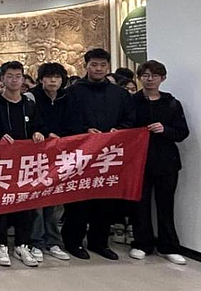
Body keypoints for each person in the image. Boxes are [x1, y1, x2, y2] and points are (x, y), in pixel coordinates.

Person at [61, 48, 135, 260]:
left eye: (103, 65)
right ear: (86, 66)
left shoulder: (119, 94)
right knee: (79, 200)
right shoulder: (73, 92)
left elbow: (130, 119)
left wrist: (118, 130)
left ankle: (99, 242)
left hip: (109, 156)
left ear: (108, 67)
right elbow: (65, 121)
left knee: (105, 201)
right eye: (94, 65)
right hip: (82, 155)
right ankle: (73, 241)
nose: (99, 69)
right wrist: (84, 131)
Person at [130, 60, 189, 264]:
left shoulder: (172, 103)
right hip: (139, 162)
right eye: (145, 75)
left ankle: (169, 246)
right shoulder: (132, 102)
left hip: (166, 161)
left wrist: (165, 130)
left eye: (154, 75)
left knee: (166, 205)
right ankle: (141, 244)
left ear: (162, 78)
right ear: (139, 78)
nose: (150, 79)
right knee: (140, 205)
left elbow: (182, 132)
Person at [0, 61, 43, 268]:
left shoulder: (29, 104)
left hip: (26, 164)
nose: (14, 80)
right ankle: (1, 244)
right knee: (2, 204)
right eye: (10, 76)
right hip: (1, 163)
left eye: (18, 76)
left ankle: (22, 244)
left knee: (25, 203)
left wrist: (38, 133)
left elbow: (38, 126)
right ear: (2, 78)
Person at [29, 62, 72, 261]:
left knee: (56, 202)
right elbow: (31, 124)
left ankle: (53, 241)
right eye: (48, 77)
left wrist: (63, 138)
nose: (53, 81)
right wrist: (44, 134)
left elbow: (75, 123)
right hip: (38, 156)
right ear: (41, 79)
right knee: (37, 202)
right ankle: (36, 242)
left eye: (57, 77)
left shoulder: (67, 98)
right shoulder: (31, 98)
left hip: (62, 155)